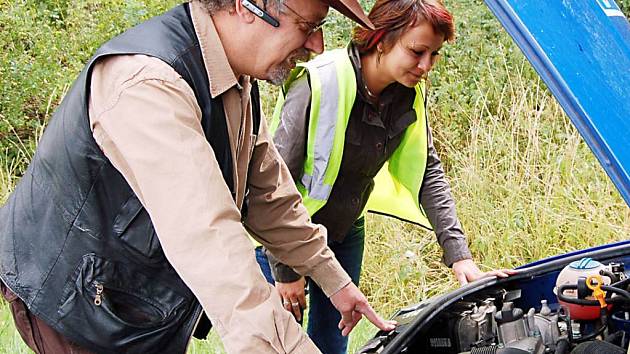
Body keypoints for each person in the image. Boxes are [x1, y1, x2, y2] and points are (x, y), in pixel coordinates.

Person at [0, 0, 397, 353]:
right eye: (308, 26)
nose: (317, 45)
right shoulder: (148, 83)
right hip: (81, 300)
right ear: (247, 7)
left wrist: (334, 280)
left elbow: (268, 194)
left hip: (134, 295)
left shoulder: (233, 74)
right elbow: (207, 237)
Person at [255, 0, 515, 352]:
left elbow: (428, 172)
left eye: (434, 55)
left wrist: (460, 256)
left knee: (332, 343)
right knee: (278, 344)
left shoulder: (408, 94)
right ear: (381, 39)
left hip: (344, 233)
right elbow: (275, 179)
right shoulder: (321, 81)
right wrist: (285, 270)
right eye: (417, 51)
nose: (425, 66)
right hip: (288, 236)